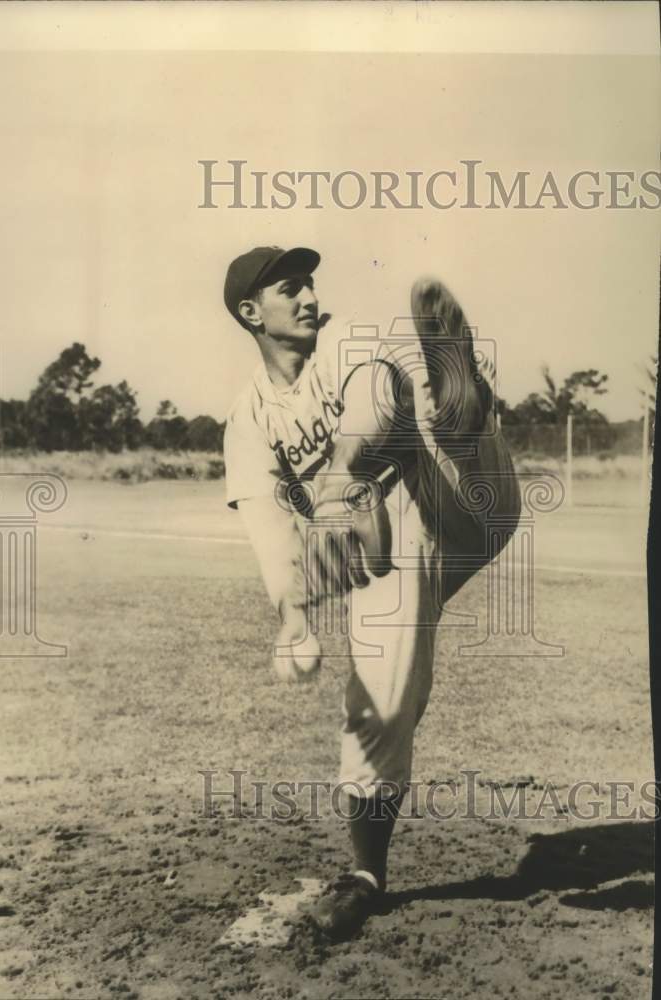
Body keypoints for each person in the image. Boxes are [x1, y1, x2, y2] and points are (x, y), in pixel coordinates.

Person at [222, 245, 521, 939]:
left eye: (308, 284)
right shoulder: (249, 419)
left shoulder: (347, 340)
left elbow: (366, 405)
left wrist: (337, 482)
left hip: (467, 497)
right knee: (380, 702)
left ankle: (459, 399)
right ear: (249, 313)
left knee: (414, 402)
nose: (307, 297)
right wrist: (292, 618)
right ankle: (365, 875)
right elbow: (268, 525)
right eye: (289, 288)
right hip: (405, 548)